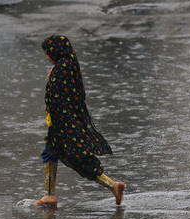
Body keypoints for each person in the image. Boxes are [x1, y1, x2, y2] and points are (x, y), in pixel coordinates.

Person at [32, 35, 126, 206]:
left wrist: (61, 126)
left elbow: (58, 98)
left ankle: (113, 186)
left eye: (48, 53)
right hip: (64, 122)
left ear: (56, 51)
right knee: (51, 153)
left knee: (80, 160)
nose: (47, 57)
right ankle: (49, 195)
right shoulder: (69, 64)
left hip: (65, 124)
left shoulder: (62, 68)